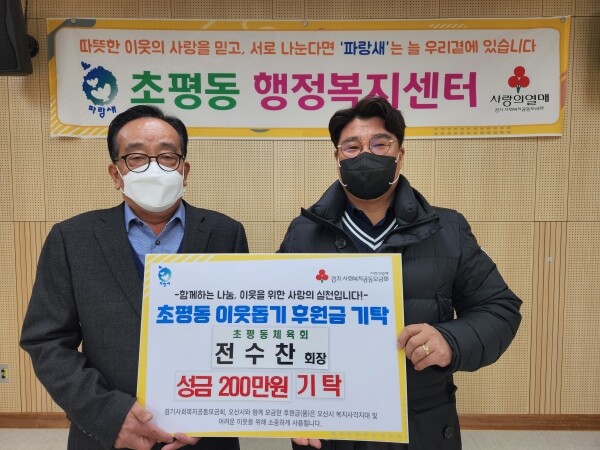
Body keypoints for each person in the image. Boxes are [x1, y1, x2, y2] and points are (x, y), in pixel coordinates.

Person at [279, 96, 522, 450]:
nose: (366, 155)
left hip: (420, 422)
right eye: (352, 147)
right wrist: (290, 407)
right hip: (330, 420)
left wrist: (451, 340)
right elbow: (276, 320)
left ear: (400, 155)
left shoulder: (448, 230)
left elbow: (499, 308)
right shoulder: (303, 233)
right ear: (337, 158)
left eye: (380, 144)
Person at [20, 105, 249, 450]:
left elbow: (240, 331)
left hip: (203, 434)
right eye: (136, 158)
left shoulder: (225, 233)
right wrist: (109, 415)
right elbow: (46, 341)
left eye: (167, 157)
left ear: (184, 170)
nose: (154, 168)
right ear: (116, 174)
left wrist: (211, 411)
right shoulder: (72, 238)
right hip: (107, 435)